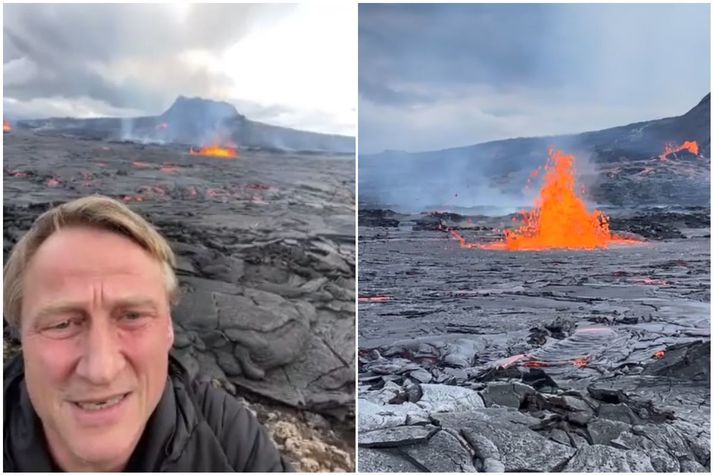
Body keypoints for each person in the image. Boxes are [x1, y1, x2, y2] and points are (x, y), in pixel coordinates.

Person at [3, 195, 292, 471]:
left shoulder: (227, 436)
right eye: (62, 324)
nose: (101, 370)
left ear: (168, 328)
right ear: (20, 336)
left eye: (132, 316)